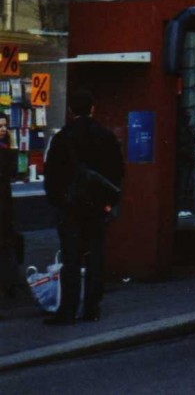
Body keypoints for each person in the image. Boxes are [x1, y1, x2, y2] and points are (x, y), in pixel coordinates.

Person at [42, 90, 124, 326]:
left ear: (70, 111)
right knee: (95, 257)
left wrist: (58, 201)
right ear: (92, 109)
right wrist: (108, 202)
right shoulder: (105, 136)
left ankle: (68, 310)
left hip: (69, 207)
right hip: (97, 207)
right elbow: (117, 171)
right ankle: (92, 307)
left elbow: (52, 175)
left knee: (71, 259)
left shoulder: (62, 138)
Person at [0, 113, 21, 301]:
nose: (3, 129)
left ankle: (8, 284)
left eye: (5, 126)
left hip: (4, 202)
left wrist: (13, 146)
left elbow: (14, 172)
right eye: (0, 126)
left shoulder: (6, 148)